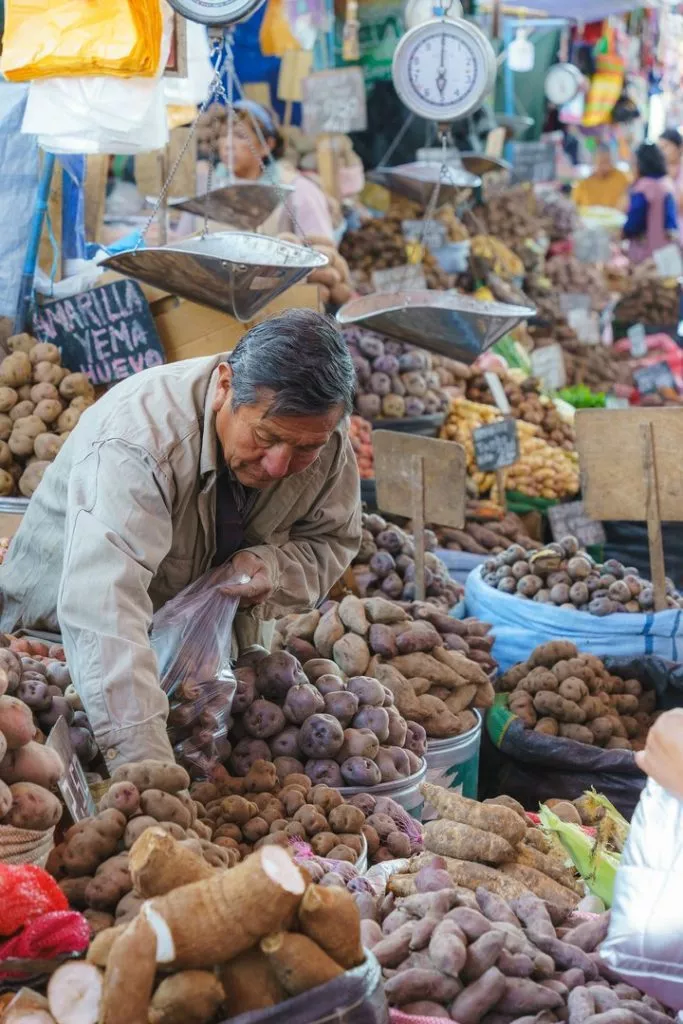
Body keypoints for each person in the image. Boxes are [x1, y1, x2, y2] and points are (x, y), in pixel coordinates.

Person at [0, 310, 361, 768]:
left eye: (304, 448)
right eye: (266, 437)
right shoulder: (140, 441)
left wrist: (273, 567)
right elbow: (103, 608)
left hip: (193, 665)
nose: (277, 465)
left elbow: (332, 538)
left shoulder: (323, 435)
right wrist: (143, 761)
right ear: (225, 387)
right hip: (62, 652)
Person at [215, 100, 337, 241]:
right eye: (223, 135)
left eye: (240, 136)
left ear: (267, 144)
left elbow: (321, 250)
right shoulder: (207, 189)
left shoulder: (299, 191)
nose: (228, 145)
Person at [623, 142, 678, 264]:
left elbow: (634, 224)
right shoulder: (667, 183)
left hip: (646, 255)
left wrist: (623, 233)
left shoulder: (643, 188)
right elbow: (672, 224)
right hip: (668, 255)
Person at [572, 144, 630, 210]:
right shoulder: (583, 183)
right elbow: (574, 206)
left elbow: (627, 200)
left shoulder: (620, 177)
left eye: (608, 162)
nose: (605, 167)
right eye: (602, 162)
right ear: (594, 162)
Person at [659, 127, 683, 243]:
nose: (662, 151)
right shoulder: (658, 176)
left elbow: (679, 204)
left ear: (680, 148)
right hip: (664, 239)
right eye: (660, 148)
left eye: (666, 146)